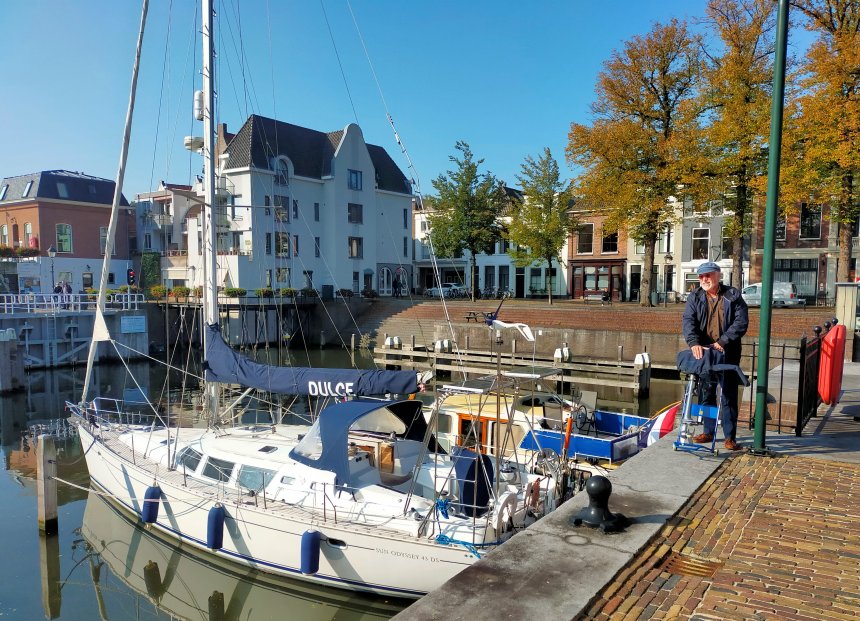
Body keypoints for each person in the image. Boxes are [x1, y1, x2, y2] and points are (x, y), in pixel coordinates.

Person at [681, 262, 749, 451]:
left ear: (718, 275)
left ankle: (730, 437)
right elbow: (688, 321)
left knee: (728, 394)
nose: (704, 279)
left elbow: (741, 322)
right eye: (701, 276)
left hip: (727, 352)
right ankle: (708, 431)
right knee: (706, 392)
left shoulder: (732, 295)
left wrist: (724, 341)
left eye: (708, 275)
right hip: (705, 353)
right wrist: (693, 343)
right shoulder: (694, 297)